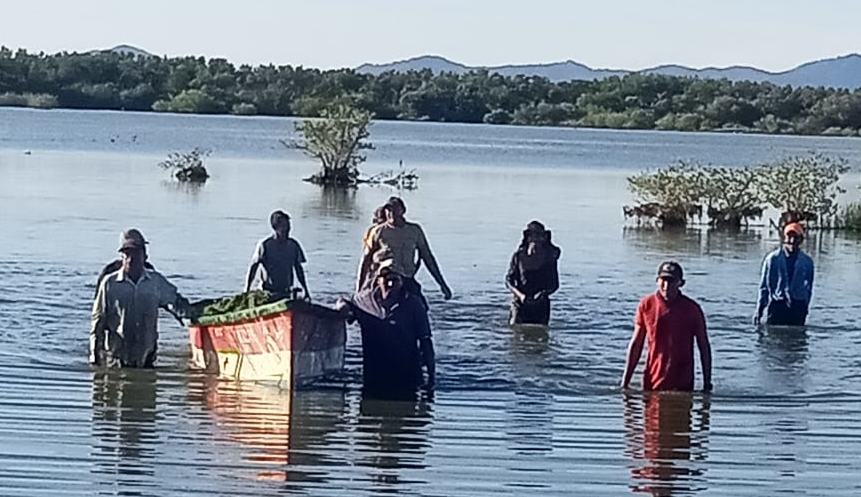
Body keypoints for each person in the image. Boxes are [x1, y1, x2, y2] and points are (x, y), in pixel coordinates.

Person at [90, 229, 190, 368]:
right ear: (121, 257)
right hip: (117, 359)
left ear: (145, 256)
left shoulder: (156, 282)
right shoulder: (109, 284)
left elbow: (176, 303)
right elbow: (98, 322)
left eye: (136, 253)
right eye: (127, 254)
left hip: (147, 358)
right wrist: (95, 357)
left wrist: (192, 318)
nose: (131, 258)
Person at [338, 262, 435, 398]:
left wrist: (431, 378)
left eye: (395, 279)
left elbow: (426, 340)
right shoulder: (363, 301)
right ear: (377, 280)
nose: (390, 283)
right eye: (385, 277)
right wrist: (341, 305)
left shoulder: (414, 304)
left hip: (407, 378)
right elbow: (346, 303)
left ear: (402, 281)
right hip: (374, 378)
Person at [621, 262, 713, 392]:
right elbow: (636, 344)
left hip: (683, 384)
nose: (666, 285)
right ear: (657, 281)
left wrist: (707, 383)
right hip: (652, 382)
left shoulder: (692, 309)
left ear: (681, 283)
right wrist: (625, 382)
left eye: (672, 281)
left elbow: (703, 346)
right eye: (663, 280)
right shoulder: (646, 305)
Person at [357, 196, 452, 303]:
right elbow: (365, 260)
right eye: (388, 210)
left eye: (395, 209)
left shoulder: (415, 231)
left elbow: (428, 258)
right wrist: (359, 288)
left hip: (406, 277)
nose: (391, 213)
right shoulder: (378, 232)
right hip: (383, 276)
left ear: (403, 210)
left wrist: (442, 285)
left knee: (421, 307)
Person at [754, 222, 814, 326]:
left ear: (801, 240)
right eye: (789, 237)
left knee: (797, 340)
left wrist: (805, 307)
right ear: (784, 238)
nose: (792, 241)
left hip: (798, 305)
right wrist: (759, 311)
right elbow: (764, 287)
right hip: (777, 305)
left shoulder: (807, 262)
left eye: (795, 237)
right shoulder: (772, 259)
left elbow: (809, 288)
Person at [245, 210, 311, 299]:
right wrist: (247, 289)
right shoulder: (265, 245)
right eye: (284, 226)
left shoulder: (293, 245)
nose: (287, 229)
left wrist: (306, 290)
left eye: (288, 226)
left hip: (286, 292)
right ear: (275, 228)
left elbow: (298, 269)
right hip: (267, 292)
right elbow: (253, 267)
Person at [505, 220, 561, 325]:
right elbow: (509, 281)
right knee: (516, 333)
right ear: (528, 238)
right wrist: (520, 295)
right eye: (533, 236)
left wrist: (542, 294)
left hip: (541, 305)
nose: (537, 240)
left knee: (541, 336)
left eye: (540, 236)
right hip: (520, 303)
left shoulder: (549, 258)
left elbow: (554, 284)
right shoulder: (519, 256)